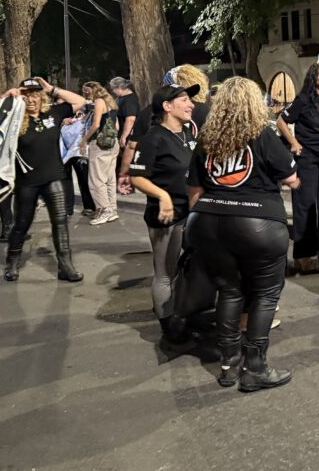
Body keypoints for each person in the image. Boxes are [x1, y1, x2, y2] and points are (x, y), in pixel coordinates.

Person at [185, 77, 300, 391]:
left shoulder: (207, 138)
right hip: (258, 221)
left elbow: (194, 190)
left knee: (229, 291)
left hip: (209, 222)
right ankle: (255, 368)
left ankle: (229, 365)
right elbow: (292, 179)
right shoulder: (263, 134)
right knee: (264, 294)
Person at [0, 77, 87, 283]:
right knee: (22, 223)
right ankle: (12, 262)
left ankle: (66, 266)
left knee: (60, 221)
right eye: (26, 96)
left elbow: (80, 101)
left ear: (41, 96)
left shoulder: (53, 113)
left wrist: (52, 89)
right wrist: (5, 98)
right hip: (26, 181)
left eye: (35, 95)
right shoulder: (13, 118)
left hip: (54, 176)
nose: (31, 100)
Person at [129, 82, 200, 345]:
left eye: (190, 100)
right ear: (167, 106)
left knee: (187, 268)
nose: (191, 104)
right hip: (166, 216)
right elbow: (137, 177)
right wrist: (163, 196)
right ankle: (168, 326)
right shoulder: (153, 138)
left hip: (191, 213)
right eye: (184, 100)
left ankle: (182, 312)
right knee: (165, 272)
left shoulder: (188, 133)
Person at [276, 62, 319, 273]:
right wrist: (294, 143)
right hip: (307, 158)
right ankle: (304, 254)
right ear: (314, 78)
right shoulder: (303, 100)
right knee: (305, 204)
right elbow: (281, 121)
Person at [120, 64, 211, 189]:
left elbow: (132, 146)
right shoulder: (207, 111)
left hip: (164, 183)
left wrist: (124, 174)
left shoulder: (150, 111)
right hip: (196, 185)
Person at [81, 81, 119, 225]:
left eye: (86, 92)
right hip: (112, 143)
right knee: (110, 178)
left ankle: (104, 210)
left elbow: (96, 124)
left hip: (100, 144)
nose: (85, 95)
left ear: (92, 91)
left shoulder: (98, 102)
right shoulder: (111, 102)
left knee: (96, 180)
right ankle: (112, 209)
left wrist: (84, 140)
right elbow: (116, 126)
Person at [59, 102, 96, 218]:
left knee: (84, 179)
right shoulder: (67, 117)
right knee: (69, 180)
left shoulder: (89, 115)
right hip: (68, 151)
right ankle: (69, 208)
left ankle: (90, 206)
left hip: (81, 151)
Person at [110, 77, 140, 194]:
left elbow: (130, 119)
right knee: (119, 162)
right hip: (121, 134)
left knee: (125, 161)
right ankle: (120, 186)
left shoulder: (130, 100)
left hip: (127, 135)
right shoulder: (121, 98)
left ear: (119, 87)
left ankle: (127, 187)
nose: (113, 91)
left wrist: (123, 136)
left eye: (113, 89)